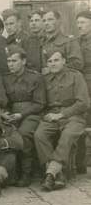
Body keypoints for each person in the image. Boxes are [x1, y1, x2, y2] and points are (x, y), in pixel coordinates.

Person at [34, 51, 90, 191]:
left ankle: (50, 173)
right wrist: (49, 116)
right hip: (51, 116)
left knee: (68, 135)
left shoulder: (76, 76)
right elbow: (42, 103)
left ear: (64, 60)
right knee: (39, 135)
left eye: (56, 60)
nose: (53, 64)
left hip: (74, 116)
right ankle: (57, 174)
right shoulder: (45, 79)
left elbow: (83, 103)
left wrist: (62, 114)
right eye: (50, 61)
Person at [1, 45, 45, 187]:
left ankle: (26, 173)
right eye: (8, 61)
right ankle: (12, 172)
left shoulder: (36, 77)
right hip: (12, 114)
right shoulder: (5, 78)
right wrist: (5, 112)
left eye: (14, 61)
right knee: (6, 134)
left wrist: (21, 114)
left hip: (32, 114)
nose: (10, 64)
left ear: (24, 61)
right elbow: (4, 100)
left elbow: (40, 103)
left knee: (23, 134)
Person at [2, 8, 42, 73]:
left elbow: (34, 66)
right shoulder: (7, 41)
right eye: (6, 24)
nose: (8, 27)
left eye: (11, 24)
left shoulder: (29, 39)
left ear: (19, 23)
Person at [76, 10, 91, 116]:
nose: (79, 26)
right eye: (78, 23)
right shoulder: (76, 41)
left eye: (83, 22)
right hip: (80, 80)